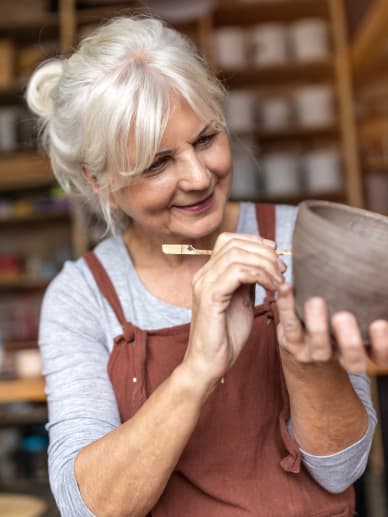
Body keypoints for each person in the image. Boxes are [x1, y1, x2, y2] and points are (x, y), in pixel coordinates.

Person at [26, 15, 388, 517]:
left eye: (206, 138)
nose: (199, 177)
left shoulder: (306, 242)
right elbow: (88, 509)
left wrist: (309, 367)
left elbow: (340, 470)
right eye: (157, 163)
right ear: (100, 180)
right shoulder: (80, 297)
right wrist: (198, 369)